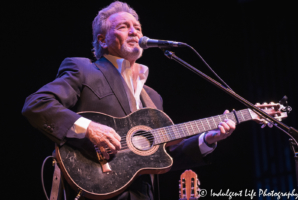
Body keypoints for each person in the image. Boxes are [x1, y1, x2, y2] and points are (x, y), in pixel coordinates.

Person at [22, 1, 236, 200]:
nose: (134, 31)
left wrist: (208, 139)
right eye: (124, 27)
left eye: (138, 27)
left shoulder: (152, 97)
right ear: (102, 40)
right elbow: (37, 104)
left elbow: (162, 157)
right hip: (93, 189)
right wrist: (89, 128)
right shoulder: (84, 70)